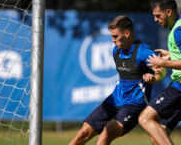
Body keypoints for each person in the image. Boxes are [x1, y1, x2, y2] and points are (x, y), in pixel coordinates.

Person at [69, 15, 166, 145]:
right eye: (111, 36)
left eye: (115, 36)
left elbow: (162, 70)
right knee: (82, 134)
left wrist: (153, 78)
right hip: (115, 99)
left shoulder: (143, 52)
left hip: (134, 105)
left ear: (127, 33)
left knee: (106, 134)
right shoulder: (116, 51)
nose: (112, 40)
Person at [138, 0, 181, 145]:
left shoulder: (179, 31)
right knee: (157, 136)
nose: (155, 19)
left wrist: (162, 62)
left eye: (158, 15)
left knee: (145, 118)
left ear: (168, 12)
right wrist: (171, 55)